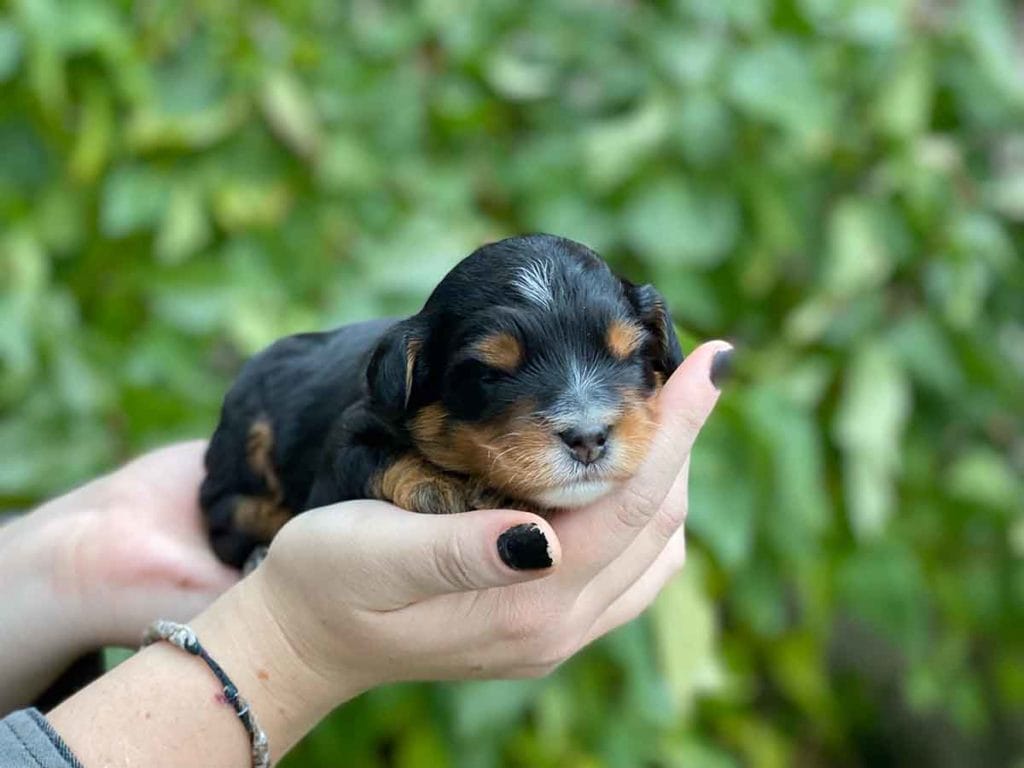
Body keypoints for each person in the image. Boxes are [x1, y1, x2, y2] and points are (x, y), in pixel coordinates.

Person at [0, 342, 731, 767]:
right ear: (410, 379)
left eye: (631, 357)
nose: (585, 419)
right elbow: (358, 457)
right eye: (493, 375)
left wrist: (78, 562)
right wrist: (287, 646)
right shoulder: (379, 404)